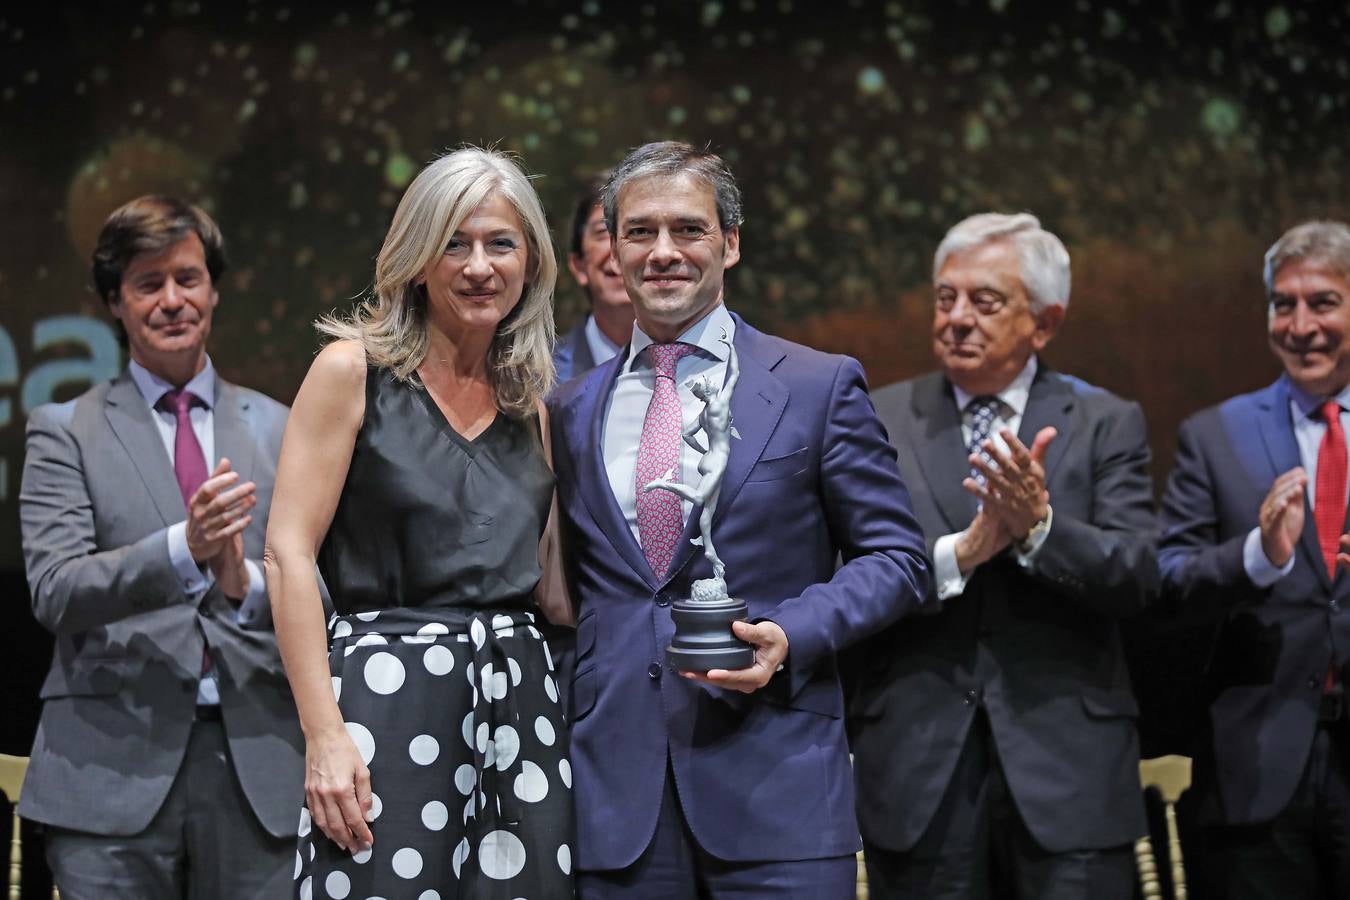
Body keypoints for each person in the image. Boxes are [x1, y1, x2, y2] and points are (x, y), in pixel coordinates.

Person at [548, 140, 930, 899]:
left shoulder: (818, 386)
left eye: (688, 230)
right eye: (639, 232)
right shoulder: (566, 408)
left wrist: (792, 633)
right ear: (610, 253)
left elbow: (897, 559)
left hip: (777, 788)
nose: (663, 252)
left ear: (730, 243)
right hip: (615, 802)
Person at [264, 147, 574, 899]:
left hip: (520, 706)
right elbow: (286, 553)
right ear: (416, 258)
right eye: (454, 243)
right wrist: (323, 733)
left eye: (500, 243)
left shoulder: (530, 403)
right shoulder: (351, 372)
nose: (478, 267)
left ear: (531, 262)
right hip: (383, 698)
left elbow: (557, 595)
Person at [850, 212, 1158, 899]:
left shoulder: (1107, 421)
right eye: (945, 298)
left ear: (1044, 323)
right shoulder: (876, 417)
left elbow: (1139, 575)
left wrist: (1039, 529)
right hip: (917, 769)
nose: (957, 318)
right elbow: (845, 569)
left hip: (1069, 774)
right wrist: (959, 554)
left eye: (984, 302)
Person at [18, 195, 301, 898]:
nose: (173, 301)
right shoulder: (64, 431)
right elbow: (55, 591)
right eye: (149, 284)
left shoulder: (282, 426)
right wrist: (185, 548)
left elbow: (323, 596)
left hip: (258, 768)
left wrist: (242, 583)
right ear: (115, 302)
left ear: (213, 287)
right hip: (109, 774)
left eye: (188, 278)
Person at [1159, 220, 1350, 898]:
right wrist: (1256, 556)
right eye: (1283, 304)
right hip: (1254, 770)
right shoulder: (1214, 435)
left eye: (1322, 302)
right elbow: (1168, 581)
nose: (1300, 326)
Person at [553, 173, 634, 382]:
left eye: (636, 231)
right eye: (603, 232)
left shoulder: (714, 365)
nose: (618, 251)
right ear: (579, 265)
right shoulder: (539, 377)